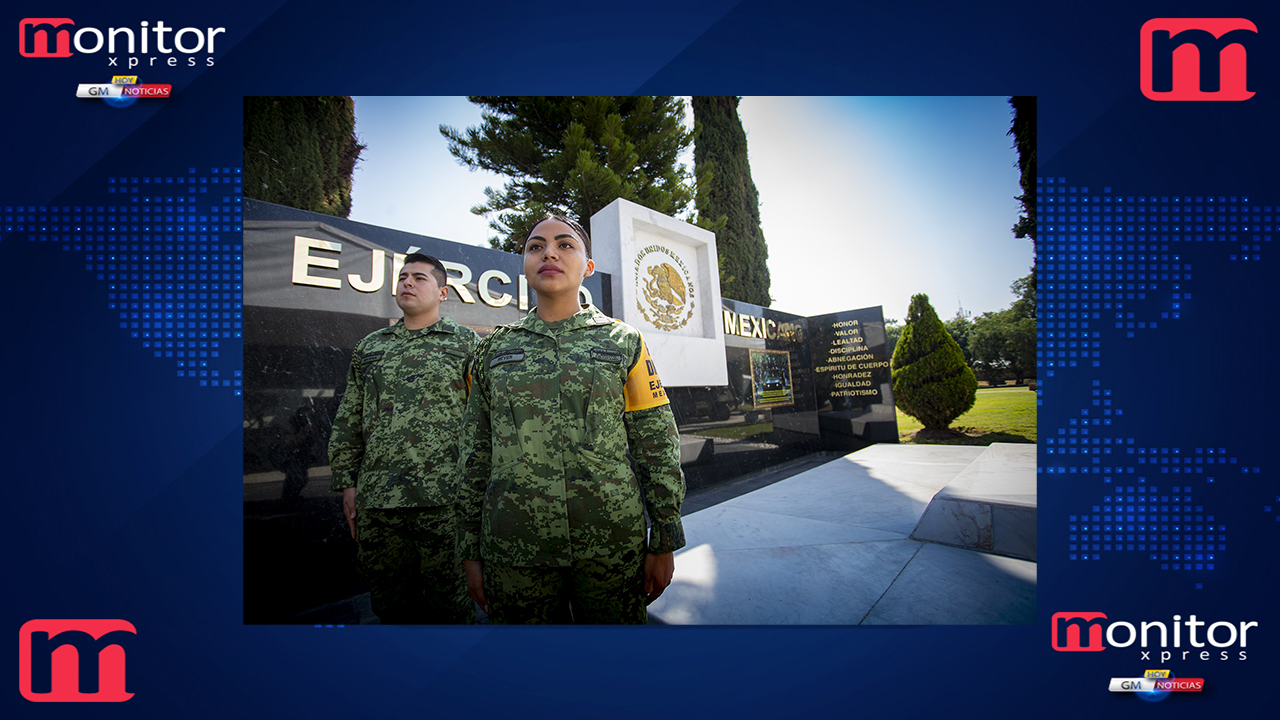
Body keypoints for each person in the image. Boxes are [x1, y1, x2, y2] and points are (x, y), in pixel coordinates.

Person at [456, 215, 686, 624]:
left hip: (610, 544)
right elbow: (474, 452)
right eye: (535, 246)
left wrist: (664, 537)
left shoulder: (623, 341)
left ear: (588, 266)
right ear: (524, 264)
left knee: (614, 669)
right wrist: (470, 551)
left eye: (565, 245)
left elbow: (655, 441)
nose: (549, 253)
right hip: (515, 549)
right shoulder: (491, 350)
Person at [328, 253, 477, 624]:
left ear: (442, 292)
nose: (407, 283)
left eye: (419, 278)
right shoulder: (370, 348)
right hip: (380, 503)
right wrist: (348, 482)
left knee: (451, 607)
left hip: (445, 502)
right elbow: (350, 416)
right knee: (392, 606)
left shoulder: (467, 344)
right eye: (403, 277)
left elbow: (484, 421)